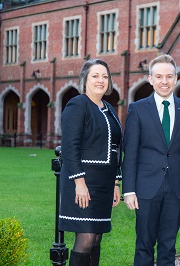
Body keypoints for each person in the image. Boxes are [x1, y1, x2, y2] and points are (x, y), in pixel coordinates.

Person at [122, 54, 180, 265]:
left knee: (168, 245)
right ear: (150, 79)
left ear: (176, 78)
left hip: (177, 188)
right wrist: (129, 190)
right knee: (144, 244)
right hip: (145, 189)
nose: (164, 81)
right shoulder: (137, 109)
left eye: (169, 76)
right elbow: (131, 153)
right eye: (159, 76)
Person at [59, 59, 122, 265]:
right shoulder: (78, 104)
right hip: (84, 183)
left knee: (96, 239)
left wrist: (116, 183)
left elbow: (117, 147)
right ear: (85, 79)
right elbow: (70, 146)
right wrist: (79, 183)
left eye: (105, 76)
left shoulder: (110, 109)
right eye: (95, 76)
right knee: (85, 239)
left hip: (104, 184)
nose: (101, 80)